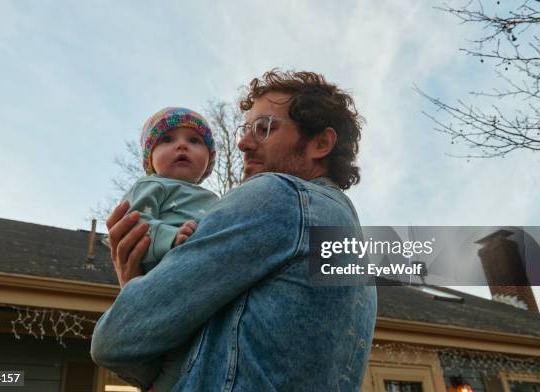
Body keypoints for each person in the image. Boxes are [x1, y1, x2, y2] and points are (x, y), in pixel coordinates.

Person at [91, 69, 377, 391]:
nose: (242, 143)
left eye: (263, 128)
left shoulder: (280, 196)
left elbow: (113, 341)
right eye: (246, 129)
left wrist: (132, 284)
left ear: (320, 143)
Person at [120, 107, 219, 391]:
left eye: (194, 140)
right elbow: (133, 225)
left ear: (208, 160)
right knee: (171, 352)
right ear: (150, 159)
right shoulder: (152, 186)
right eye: (167, 139)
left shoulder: (215, 199)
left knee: (188, 354)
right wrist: (171, 237)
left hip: (202, 291)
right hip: (164, 282)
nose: (181, 145)